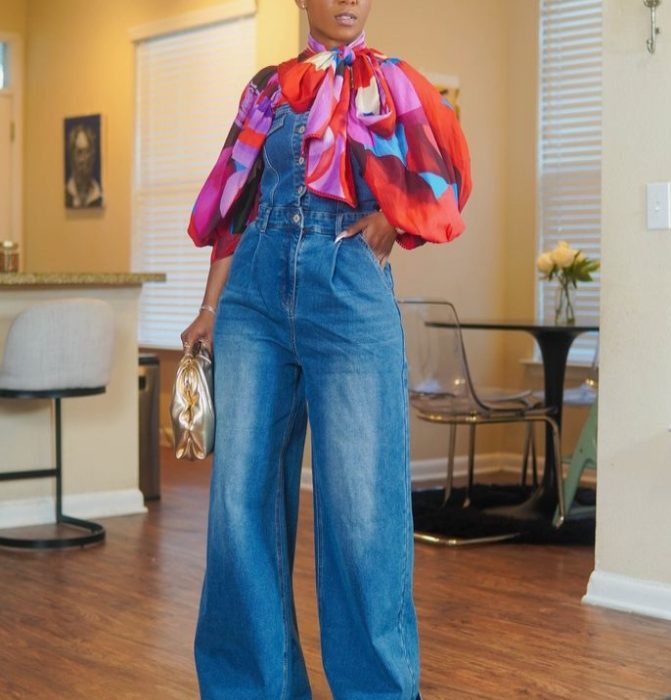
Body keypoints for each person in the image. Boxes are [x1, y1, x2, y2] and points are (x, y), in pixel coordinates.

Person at [181, 0, 471, 697]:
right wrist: (209, 308)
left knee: (361, 510)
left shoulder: (393, 82)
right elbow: (235, 204)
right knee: (240, 503)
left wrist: (393, 221)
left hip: (346, 293)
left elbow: (448, 174)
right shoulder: (266, 87)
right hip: (253, 293)